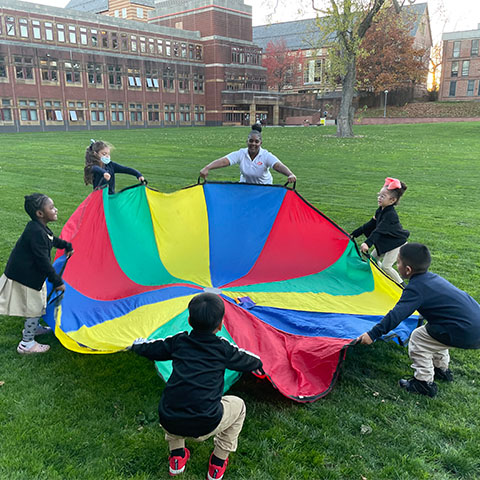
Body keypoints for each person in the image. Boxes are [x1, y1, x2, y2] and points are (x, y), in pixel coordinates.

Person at [130, 292, 263, 479]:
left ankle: (177, 458)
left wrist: (136, 346)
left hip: (169, 419)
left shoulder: (179, 342)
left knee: (176, 399)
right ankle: (217, 464)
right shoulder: (222, 348)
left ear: (190, 320)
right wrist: (259, 365)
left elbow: (153, 348)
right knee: (239, 406)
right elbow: (248, 360)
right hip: (206, 422)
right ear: (220, 324)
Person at [356, 243, 480, 397]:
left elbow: (396, 315)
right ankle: (440, 369)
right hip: (474, 326)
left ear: (408, 270)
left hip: (463, 331)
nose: (396, 264)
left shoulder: (416, 289)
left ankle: (423, 383)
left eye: (398, 262)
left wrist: (373, 334)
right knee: (433, 335)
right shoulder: (432, 279)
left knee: (419, 337)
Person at [0, 193, 74, 354]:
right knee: (34, 307)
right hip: (26, 277)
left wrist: (66, 245)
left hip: (29, 274)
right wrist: (57, 281)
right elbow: (43, 261)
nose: (56, 210)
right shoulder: (36, 232)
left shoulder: (38, 228)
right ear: (40, 214)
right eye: (51, 208)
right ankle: (26, 343)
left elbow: (51, 239)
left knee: (37, 304)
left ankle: (34, 329)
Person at [351, 177, 409, 285]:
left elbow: (379, 231)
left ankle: (403, 287)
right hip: (386, 242)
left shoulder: (390, 215)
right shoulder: (380, 210)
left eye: (383, 196)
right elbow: (370, 224)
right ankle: (380, 279)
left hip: (396, 244)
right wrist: (355, 233)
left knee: (386, 266)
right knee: (372, 259)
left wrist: (367, 243)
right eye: (379, 195)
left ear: (392, 200)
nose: (379, 198)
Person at [199, 125, 296, 185]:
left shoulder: (266, 155)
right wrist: (207, 168)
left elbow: (277, 165)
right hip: (245, 187)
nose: (253, 144)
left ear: (260, 143)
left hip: (264, 189)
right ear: (247, 141)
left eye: (256, 141)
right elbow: (225, 161)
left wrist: (290, 174)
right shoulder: (241, 153)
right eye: (251, 141)